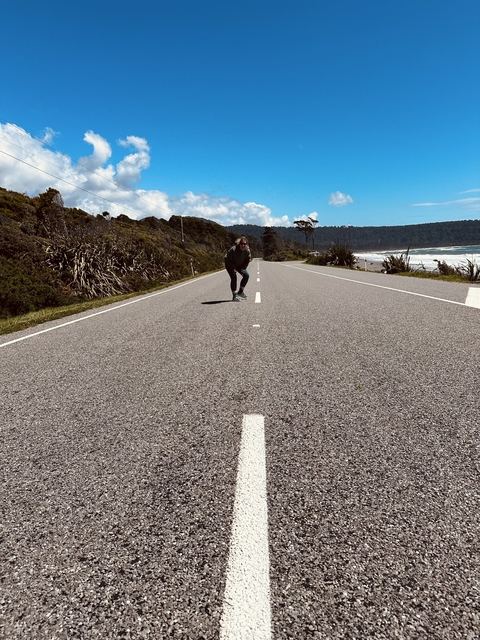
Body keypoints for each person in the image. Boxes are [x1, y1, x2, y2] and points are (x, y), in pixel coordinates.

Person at [224, 236, 251, 301]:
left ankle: (241, 291)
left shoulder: (247, 251)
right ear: (239, 244)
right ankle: (234, 295)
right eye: (241, 243)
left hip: (240, 265)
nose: (243, 245)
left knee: (246, 275)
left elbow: (247, 260)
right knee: (234, 277)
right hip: (230, 264)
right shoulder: (233, 250)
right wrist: (233, 268)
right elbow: (228, 260)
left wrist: (243, 267)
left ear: (246, 245)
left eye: (245, 244)